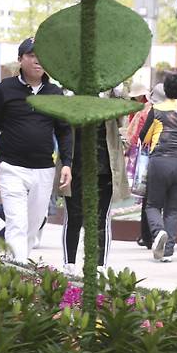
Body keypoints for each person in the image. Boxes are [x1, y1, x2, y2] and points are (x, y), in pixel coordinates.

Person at [0, 37, 72, 262]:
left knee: (34, 222)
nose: (37, 61)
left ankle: (18, 264)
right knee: (17, 223)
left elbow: (64, 131)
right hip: (11, 167)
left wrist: (67, 163)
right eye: (31, 55)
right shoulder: (5, 89)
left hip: (44, 168)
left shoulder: (55, 93)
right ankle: (18, 271)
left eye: (41, 56)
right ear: (20, 59)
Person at [61, 113, 130, 275]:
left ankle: (100, 266)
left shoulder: (110, 104)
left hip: (104, 169)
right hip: (75, 168)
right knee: (73, 217)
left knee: (101, 219)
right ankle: (69, 263)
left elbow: (122, 120)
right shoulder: (73, 102)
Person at [140, 73, 177, 262]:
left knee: (153, 205)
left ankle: (159, 231)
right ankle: (167, 251)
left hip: (160, 161)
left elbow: (144, 137)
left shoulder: (156, 110)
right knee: (172, 209)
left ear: (165, 90)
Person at [126, 81, 162, 249]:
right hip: (173, 158)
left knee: (148, 198)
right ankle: (163, 238)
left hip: (147, 156)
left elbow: (138, 135)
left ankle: (147, 236)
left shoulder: (146, 110)